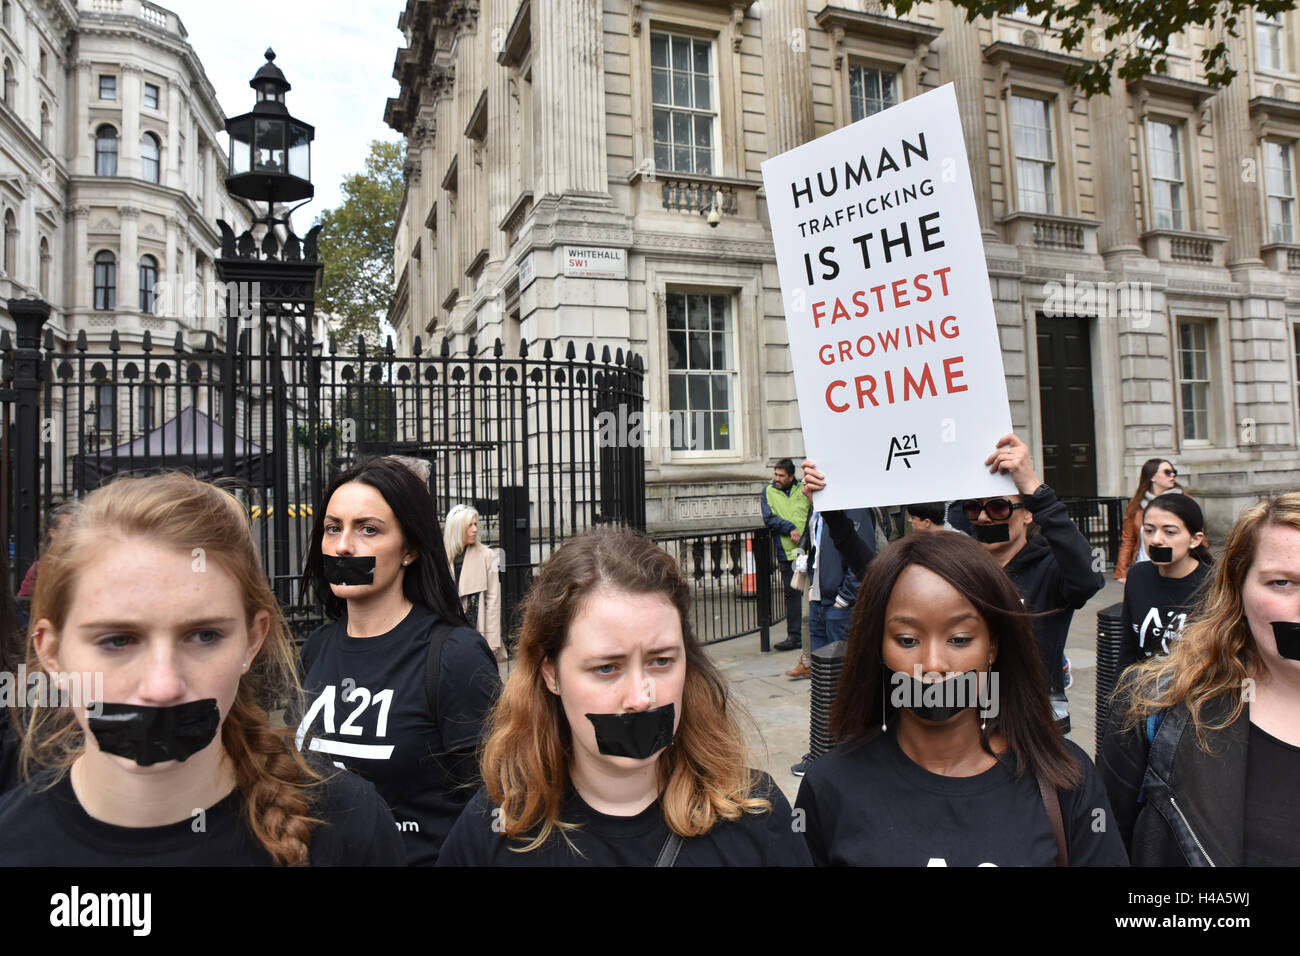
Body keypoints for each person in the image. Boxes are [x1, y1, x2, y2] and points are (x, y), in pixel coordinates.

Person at [0, 473, 404, 866]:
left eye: (204, 636)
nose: (162, 687)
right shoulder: (14, 841)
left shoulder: (347, 822)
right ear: (51, 652)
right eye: (117, 641)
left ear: (252, 639)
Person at [437, 525, 811, 866]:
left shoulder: (757, 815)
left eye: (661, 661)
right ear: (550, 672)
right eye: (607, 668)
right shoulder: (494, 830)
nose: (640, 697)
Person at [794, 531, 1126, 866]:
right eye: (907, 640)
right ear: (878, 647)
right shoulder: (830, 787)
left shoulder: (1065, 777)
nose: (934, 664)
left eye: (960, 639)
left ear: (992, 647)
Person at [297, 457, 501, 866]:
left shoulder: (455, 656)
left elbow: (495, 805)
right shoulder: (316, 648)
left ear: (409, 549)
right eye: (333, 528)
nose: (343, 546)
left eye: (368, 529)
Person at [803, 434, 1103, 703]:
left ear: (1027, 515)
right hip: (960, 709)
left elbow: (1088, 577)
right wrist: (833, 513)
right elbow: (875, 575)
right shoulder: (957, 565)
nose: (984, 518)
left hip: (1029, 710)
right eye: (975, 508)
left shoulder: (1050, 568)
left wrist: (1037, 491)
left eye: (998, 507)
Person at [1100, 493, 1300, 866]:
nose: (1158, 540)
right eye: (1282, 583)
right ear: (1238, 590)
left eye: (1169, 530)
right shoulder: (1154, 711)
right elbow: (1107, 847)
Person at [1117, 493, 1214, 672]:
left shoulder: (1215, 585)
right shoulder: (1138, 575)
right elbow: (1127, 649)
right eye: (1149, 530)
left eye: (1169, 532)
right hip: (1143, 693)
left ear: (1195, 540)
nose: (1156, 540)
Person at [761, 458, 811, 653]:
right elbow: (769, 518)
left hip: (808, 549)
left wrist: (805, 535)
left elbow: (811, 513)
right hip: (787, 551)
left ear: (791, 476)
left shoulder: (803, 489)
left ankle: (810, 634)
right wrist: (789, 527)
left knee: (812, 591)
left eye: (781, 475)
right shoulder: (768, 491)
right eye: (776, 474)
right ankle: (795, 636)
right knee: (792, 594)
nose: (777, 479)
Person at [444, 504, 503, 661]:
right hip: (447, 629)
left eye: (476, 524)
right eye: (469, 525)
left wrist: (493, 639)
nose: (475, 529)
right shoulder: (442, 557)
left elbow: (493, 599)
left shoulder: (487, 555)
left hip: (477, 627)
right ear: (457, 529)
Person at [1115, 459, 1183, 582]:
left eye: (1174, 472)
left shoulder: (1183, 501)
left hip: (1175, 568)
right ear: (1152, 477)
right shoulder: (1136, 505)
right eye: (1167, 472)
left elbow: (1196, 535)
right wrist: (1121, 571)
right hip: (1144, 567)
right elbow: (1128, 539)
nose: (1172, 475)